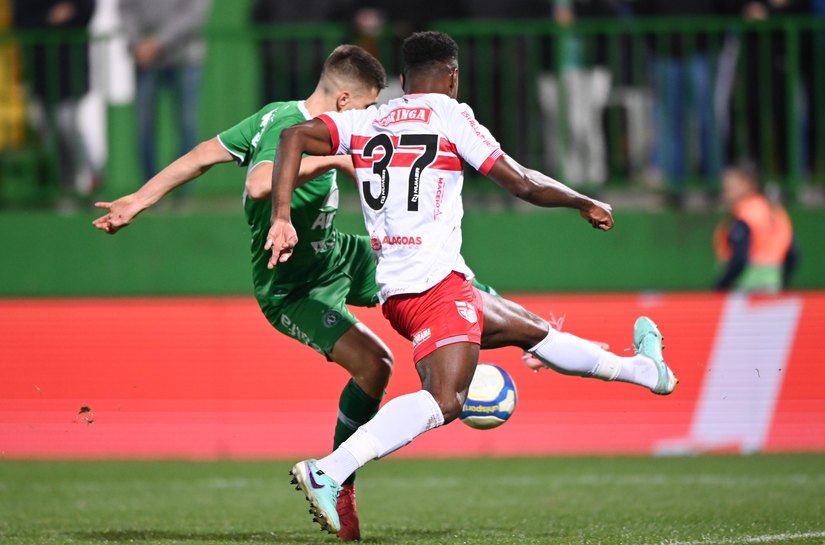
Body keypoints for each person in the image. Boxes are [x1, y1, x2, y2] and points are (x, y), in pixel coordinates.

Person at [264, 31, 679, 535]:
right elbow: (522, 181)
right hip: (435, 287)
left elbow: (292, 137)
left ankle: (646, 372)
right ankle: (329, 470)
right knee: (446, 401)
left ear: (401, 80)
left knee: (532, 330)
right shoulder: (450, 115)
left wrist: (281, 216)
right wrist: (581, 201)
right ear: (453, 76)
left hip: (401, 289)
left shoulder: (367, 119)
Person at [92, 45, 390, 542]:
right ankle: (338, 481)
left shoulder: (275, 112)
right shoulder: (284, 127)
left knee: (439, 281)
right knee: (376, 365)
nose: (365, 119)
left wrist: (139, 200)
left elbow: (201, 155)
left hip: (337, 253)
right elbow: (256, 185)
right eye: (363, 109)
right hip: (293, 288)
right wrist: (336, 160)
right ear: (343, 101)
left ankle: (529, 339)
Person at [119, 0, 211, 201]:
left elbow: (195, 12)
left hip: (185, 57)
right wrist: (138, 43)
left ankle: (181, 194)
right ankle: (148, 195)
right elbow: (126, 8)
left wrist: (158, 42)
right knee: (144, 128)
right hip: (144, 59)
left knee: (187, 127)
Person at [12, 0, 98, 202]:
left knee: (66, 126)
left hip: (71, 71)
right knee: (48, 135)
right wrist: (49, 18)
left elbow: (86, 9)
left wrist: (68, 13)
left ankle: (86, 179)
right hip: (40, 75)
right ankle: (65, 187)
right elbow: (21, 19)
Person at [713, 163, 798, 292]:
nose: (725, 191)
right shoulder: (775, 212)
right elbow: (793, 255)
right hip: (772, 287)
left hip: (745, 291)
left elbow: (739, 261)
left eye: (730, 187)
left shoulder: (746, 215)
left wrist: (719, 287)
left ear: (748, 184)